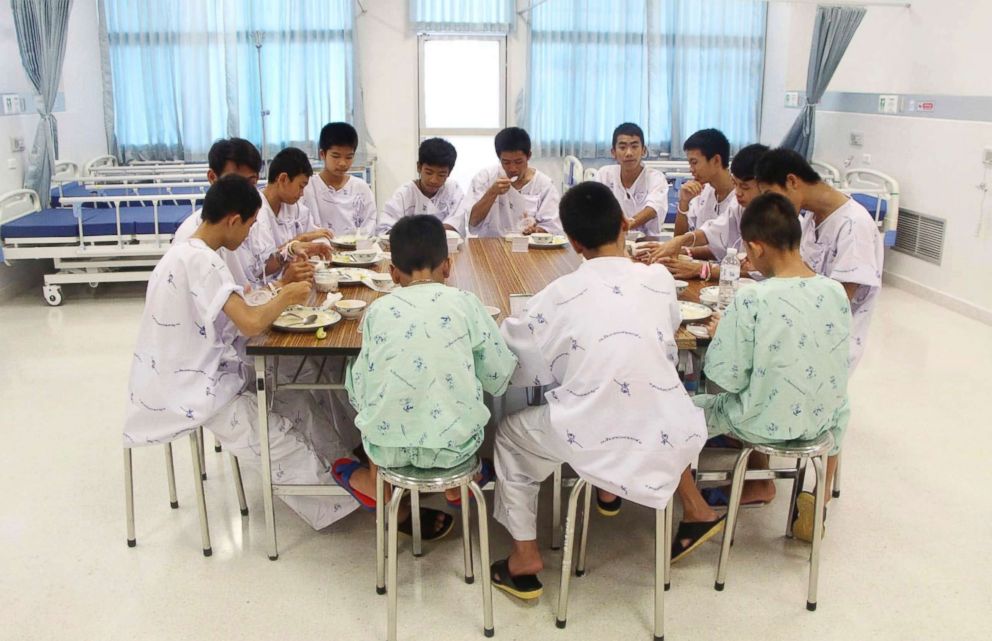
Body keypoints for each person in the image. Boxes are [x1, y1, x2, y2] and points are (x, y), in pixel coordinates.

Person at [489, 182, 705, 600]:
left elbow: (520, 367)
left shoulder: (558, 295)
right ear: (625, 223)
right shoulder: (658, 279)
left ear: (572, 242)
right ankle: (610, 490)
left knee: (510, 437)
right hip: (666, 424)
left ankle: (525, 557)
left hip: (592, 433)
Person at [123, 175, 358, 530]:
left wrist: (276, 292)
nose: (250, 235)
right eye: (249, 226)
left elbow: (237, 309)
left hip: (211, 372)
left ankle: (351, 470)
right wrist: (286, 296)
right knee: (276, 436)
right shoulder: (201, 260)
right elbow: (249, 323)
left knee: (298, 401)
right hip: (192, 389)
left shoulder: (190, 253)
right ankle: (349, 500)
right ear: (234, 220)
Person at [670, 193, 851, 561]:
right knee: (835, 400)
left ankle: (696, 511)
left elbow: (726, 378)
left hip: (764, 422)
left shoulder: (753, 299)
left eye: (748, 255)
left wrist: (725, 335)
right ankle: (820, 495)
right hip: (822, 422)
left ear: (756, 247)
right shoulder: (834, 291)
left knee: (667, 415)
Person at [336, 215, 518, 539]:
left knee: (364, 381)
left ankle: (383, 484)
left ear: (392, 273)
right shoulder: (465, 303)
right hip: (454, 449)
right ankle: (459, 483)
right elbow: (498, 375)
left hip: (387, 451)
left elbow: (360, 391)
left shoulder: (377, 310)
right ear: (447, 266)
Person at [755, 148, 883, 372]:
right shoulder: (810, 219)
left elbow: (838, 300)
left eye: (772, 195)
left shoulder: (853, 225)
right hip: (800, 332)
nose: (773, 206)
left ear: (792, 181)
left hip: (827, 346)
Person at [641, 144, 769, 279]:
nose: (738, 193)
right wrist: (679, 242)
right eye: (735, 184)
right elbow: (712, 231)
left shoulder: (777, 218)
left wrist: (703, 269)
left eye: (745, 187)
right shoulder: (735, 205)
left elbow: (764, 274)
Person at [249, 147, 332, 290]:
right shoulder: (255, 213)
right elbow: (259, 269)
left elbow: (316, 235)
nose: (301, 194)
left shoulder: (294, 207)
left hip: (293, 283)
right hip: (266, 290)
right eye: (301, 186)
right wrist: (299, 242)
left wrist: (313, 248)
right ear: (283, 179)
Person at [468, 127, 563, 237]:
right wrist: (492, 193)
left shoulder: (544, 184)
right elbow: (472, 222)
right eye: (506, 162)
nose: (513, 168)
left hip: (529, 247)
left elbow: (552, 227)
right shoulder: (485, 177)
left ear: (529, 156)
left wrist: (535, 230)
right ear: (499, 158)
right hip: (490, 245)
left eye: (518, 162)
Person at [377, 137, 468, 237]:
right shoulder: (404, 194)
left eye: (441, 175)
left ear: (449, 172)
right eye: (429, 172)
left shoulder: (453, 189)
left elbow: (456, 223)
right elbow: (384, 229)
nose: (434, 180)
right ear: (419, 167)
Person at [301, 122, 377, 239]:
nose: (342, 163)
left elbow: (369, 228)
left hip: (355, 253)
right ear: (322, 154)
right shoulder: (307, 187)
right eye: (336, 156)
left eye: (349, 157)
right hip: (318, 253)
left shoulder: (361, 188)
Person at [592, 122, 668, 236]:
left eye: (634, 146)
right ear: (613, 152)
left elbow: (653, 209)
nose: (629, 153)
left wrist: (626, 225)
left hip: (647, 242)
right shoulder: (604, 175)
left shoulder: (656, 177)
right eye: (622, 147)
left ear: (643, 150)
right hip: (611, 240)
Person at [673, 129, 738, 242]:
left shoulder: (740, 197)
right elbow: (679, 239)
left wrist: (685, 249)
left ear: (716, 160)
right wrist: (683, 203)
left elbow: (724, 249)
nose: (691, 170)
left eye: (694, 162)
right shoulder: (703, 192)